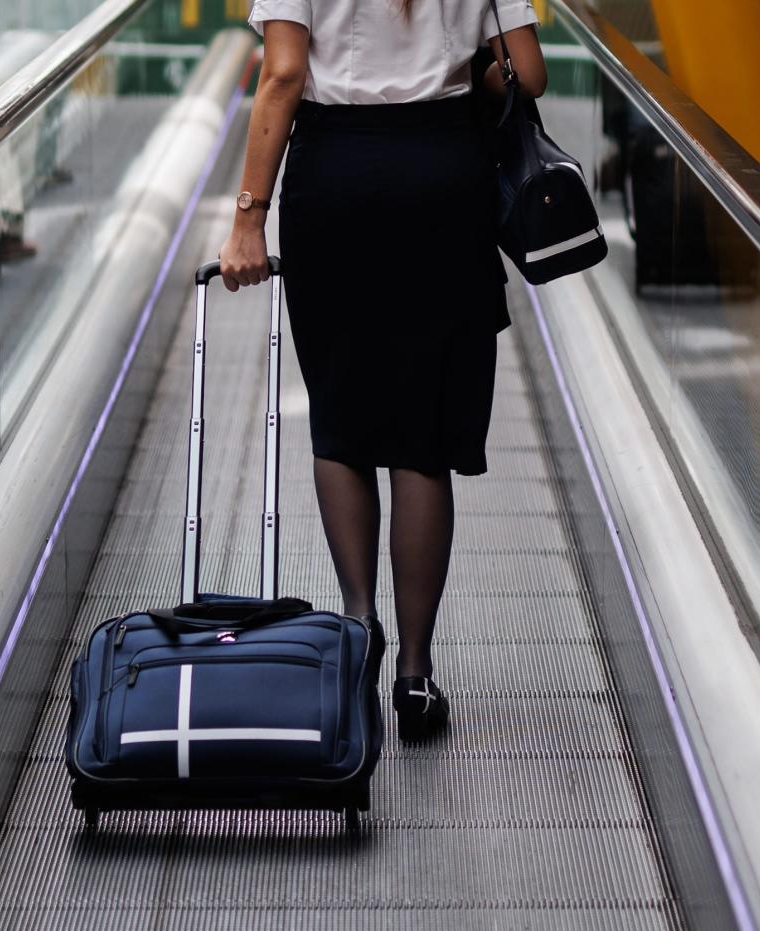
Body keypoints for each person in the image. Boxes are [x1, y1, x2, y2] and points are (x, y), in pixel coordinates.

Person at [219, 0, 546, 741]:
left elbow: (283, 75)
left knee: (342, 418)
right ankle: (417, 675)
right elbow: (526, 73)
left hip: (337, 179)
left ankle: (359, 633)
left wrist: (248, 217)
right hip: (445, 177)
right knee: (421, 434)